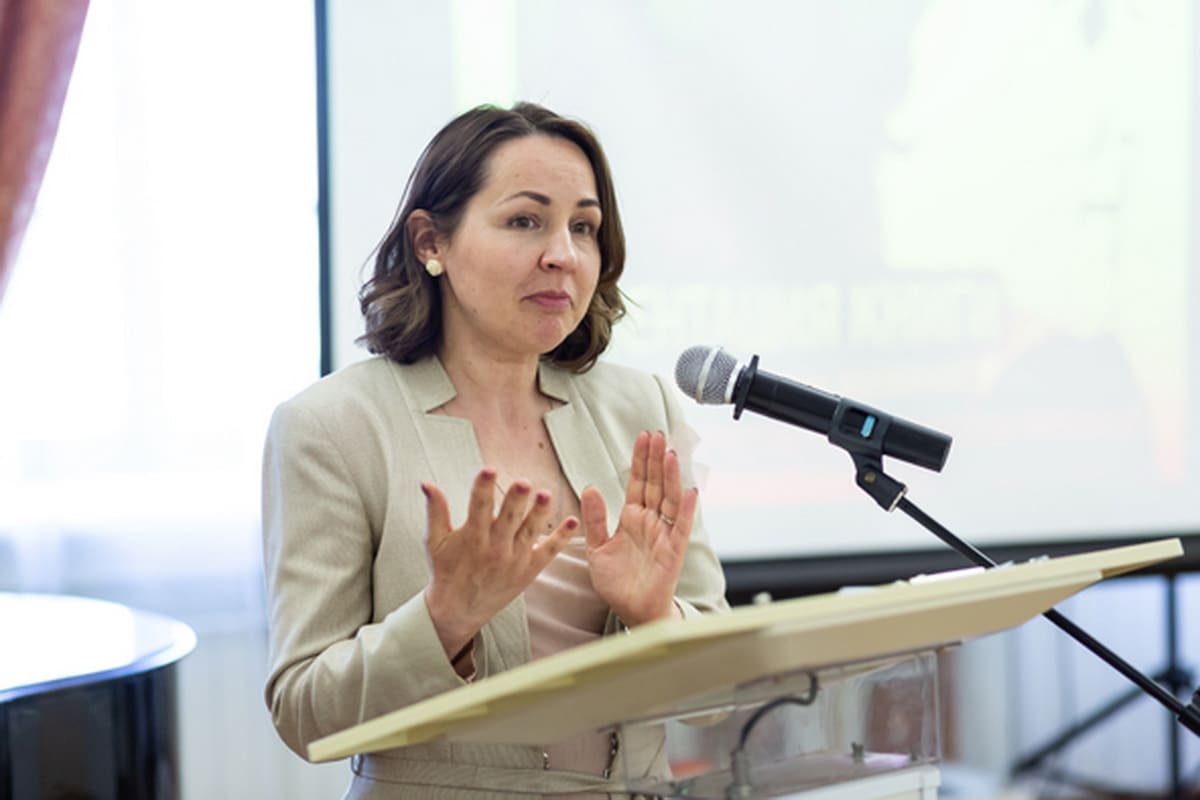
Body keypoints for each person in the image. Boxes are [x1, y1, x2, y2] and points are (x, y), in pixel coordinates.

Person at [261, 102, 729, 799]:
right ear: (431, 242)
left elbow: (717, 695)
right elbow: (304, 713)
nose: (562, 255)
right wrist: (444, 620)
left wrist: (655, 617)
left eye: (583, 227)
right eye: (525, 221)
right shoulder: (332, 427)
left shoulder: (642, 408)